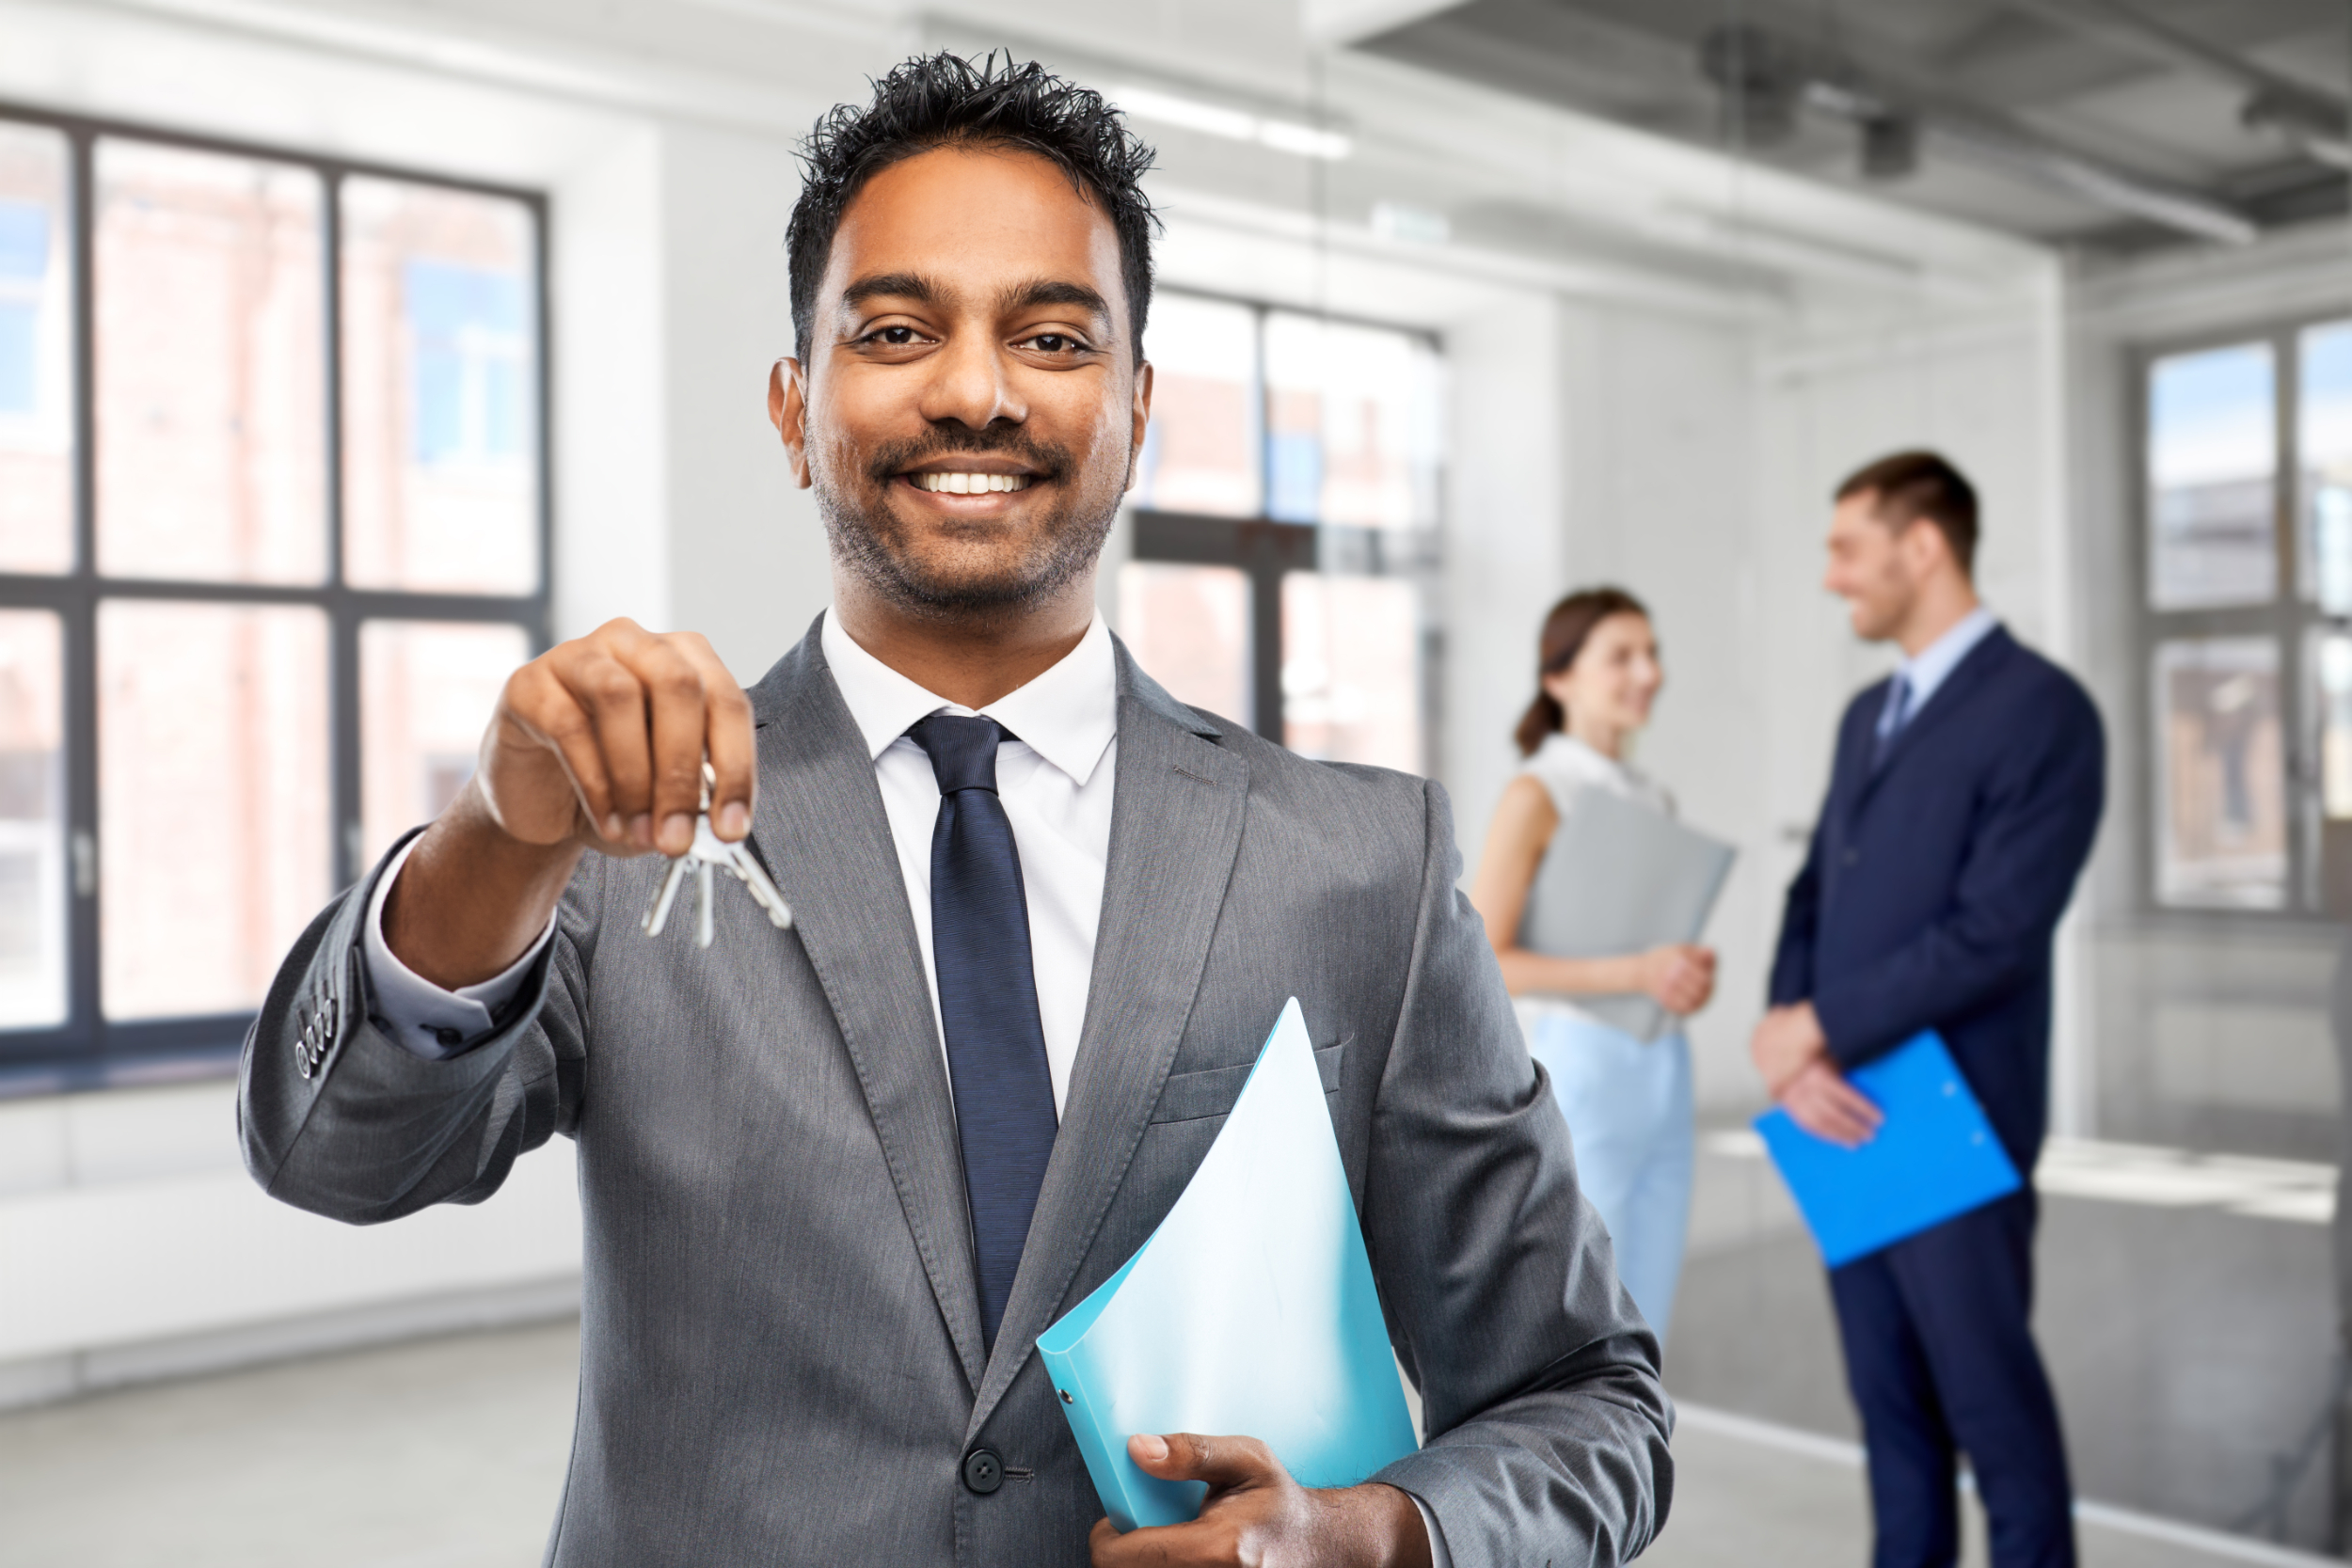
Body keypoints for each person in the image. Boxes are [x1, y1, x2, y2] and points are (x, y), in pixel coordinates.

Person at [236, 54, 1670, 1568]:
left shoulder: (1362, 863)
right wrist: (498, 833)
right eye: (899, 329)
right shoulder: (615, 830)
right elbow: (336, 1154)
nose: (976, 390)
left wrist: (1386, 1533)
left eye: (1052, 336)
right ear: (797, 409)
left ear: (1134, 408)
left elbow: (1589, 1399)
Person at [1753, 451, 2104, 1568]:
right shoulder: (1867, 714)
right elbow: (1814, 889)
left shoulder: (2045, 710)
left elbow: (1996, 931)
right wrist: (1786, 1031)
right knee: (1889, 1412)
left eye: (1845, 547)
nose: (1830, 577)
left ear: (1923, 545)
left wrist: (1819, 1025)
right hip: (1838, 1106)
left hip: (1957, 1115)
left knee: (1990, 1409)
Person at [1469, 588, 1713, 1342]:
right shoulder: (1538, 791)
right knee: (1592, 1318)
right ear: (1560, 677)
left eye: (1653, 652)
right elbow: (1491, 960)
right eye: (1622, 656)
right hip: (1586, 1072)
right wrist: (1637, 973)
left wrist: (1677, 978)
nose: (1648, 671)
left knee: (1653, 1316)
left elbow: (1647, 953)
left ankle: (1642, 1461)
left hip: (1665, 1066)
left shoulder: (1652, 793)